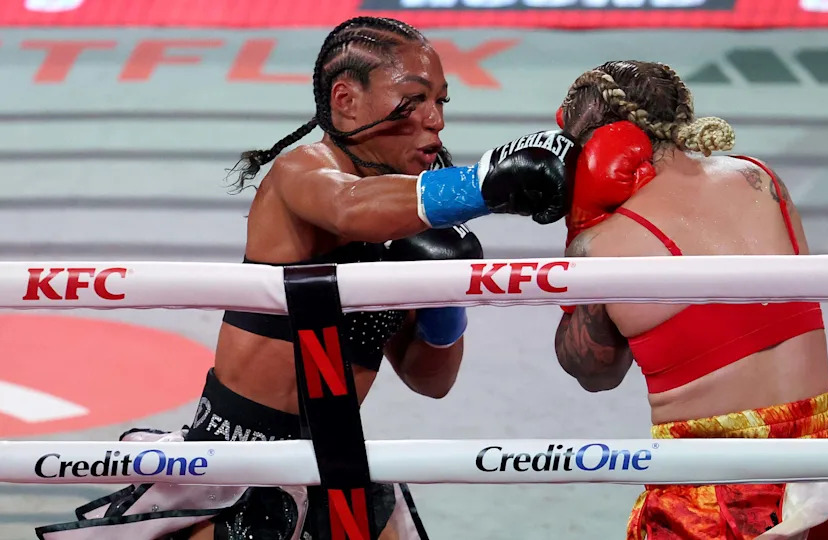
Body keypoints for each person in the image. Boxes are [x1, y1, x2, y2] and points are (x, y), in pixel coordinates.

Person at [36, 16, 580, 540]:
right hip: (237, 463)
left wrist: (445, 297)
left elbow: (430, 379)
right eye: (413, 100)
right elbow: (350, 209)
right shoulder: (302, 173)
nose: (434, 119)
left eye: (440, 101)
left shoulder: (417, 207)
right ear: (345, 102)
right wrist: (483, 183)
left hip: (335, 459)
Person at [552, 60, 828, 539]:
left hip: (715, 499)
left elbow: (593, 370)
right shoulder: (761, 180)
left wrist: (579, 226)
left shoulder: (607, 239)